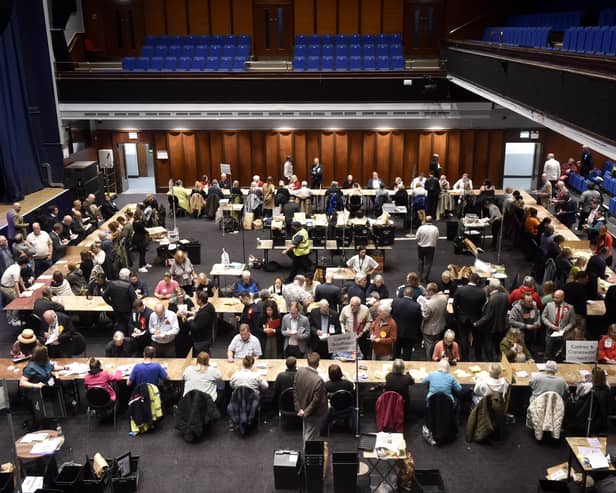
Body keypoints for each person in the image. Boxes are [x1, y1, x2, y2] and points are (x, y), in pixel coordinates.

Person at [294, 351, 328, 442]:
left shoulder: (300, 371)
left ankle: (308, 452)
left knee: (306, 432)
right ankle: (307, 455)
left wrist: (299, 409)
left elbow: (295, 390)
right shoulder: (318, 380)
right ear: (318, 363)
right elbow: (316, 401)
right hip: (312, 412)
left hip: (302, 407)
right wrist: (306, 412)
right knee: (311, 436)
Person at [473, 280, 508, 361]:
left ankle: (490, 360)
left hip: (491, 326)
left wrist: (477, 323)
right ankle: (499, 358)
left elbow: (488, 315)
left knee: (488, 344)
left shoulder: (492, 299)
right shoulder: (505, 296)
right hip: (502, 325)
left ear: (491, 287)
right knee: (498, 344)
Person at [453, 273, 485, 360]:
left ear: (469, 279)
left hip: (463, 319)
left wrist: (457, 316)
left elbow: (455, 305)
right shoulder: (481, 292)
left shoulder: (460, 290)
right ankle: (478, 358)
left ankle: (465, 358)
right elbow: (483, 307)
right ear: (477, 281)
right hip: (476, 319)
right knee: (477, 339)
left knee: (464, 339)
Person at [541, 290, 575, 361]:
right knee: (548, 352)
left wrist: (564, 329)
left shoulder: (570, 308)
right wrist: (550, 325)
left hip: (562, 333)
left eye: (558, 298)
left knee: (560, 355)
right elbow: (543, 317)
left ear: (563, 297)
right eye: (554, 297)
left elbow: (572, 322)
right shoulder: (549, 305)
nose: (555, 299)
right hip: (550, 331)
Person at [419, 283, 448, 359]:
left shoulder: (428, 304)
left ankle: (430, 361)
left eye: (427, 290)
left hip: (429, 329)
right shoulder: (444, 298)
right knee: (439, 345)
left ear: (431, 291)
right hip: (441, 326)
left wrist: (422, 310)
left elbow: (425, 317)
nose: (426, 292)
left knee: (429, 347)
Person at [104, 267, 136, 333]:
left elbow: (104, 295)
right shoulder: (129, 286)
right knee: (127, 325)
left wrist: (111, 304)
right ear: (128, 277)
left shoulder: (112, 284)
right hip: (127, 311)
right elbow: (134, 300)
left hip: (116, 309)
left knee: (120, 323)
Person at [1, 256, 28, 325]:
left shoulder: (16, 266)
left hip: (6, 286)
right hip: (7, 288)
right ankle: (14, 320)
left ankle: (10, 319)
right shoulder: (16, 270)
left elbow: (20, 278)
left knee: (10, 302)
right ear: (24, 264)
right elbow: (16, 283)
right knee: (17, 301)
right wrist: (19, 294)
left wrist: (24, 288)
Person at [415, 216, 439, 283]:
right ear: (432, 221)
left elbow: (417, 237)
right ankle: (425, 278)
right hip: (431, 248)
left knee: (420, 261)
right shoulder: (435, 228)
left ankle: (419, 278)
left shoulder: (421, 228)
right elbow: (437, 236)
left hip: (421, 247)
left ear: (425, 221)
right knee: (428, 263)